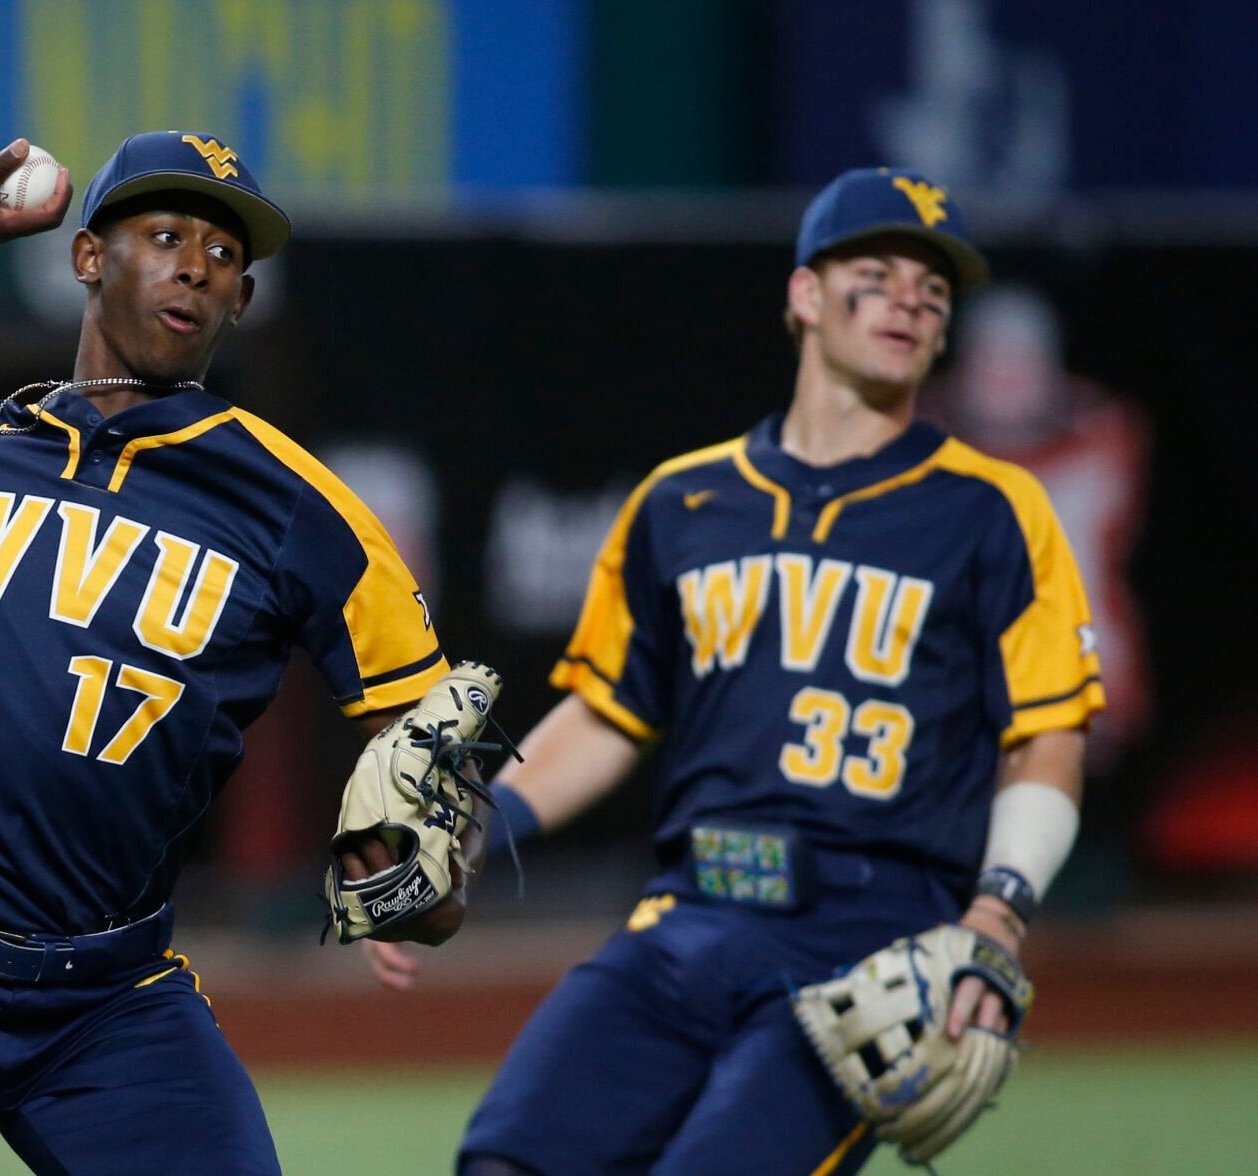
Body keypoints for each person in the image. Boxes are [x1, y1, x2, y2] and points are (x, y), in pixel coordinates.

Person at [0, 131, 464, 1175]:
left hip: (106, 1008)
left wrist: (420, 874)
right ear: (89, 259)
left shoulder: (298, 509)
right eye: (163, 234)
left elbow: (425, 727)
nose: (196, 263)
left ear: (238, 304)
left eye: (225, 254)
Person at [367, 167, 1103, 1174]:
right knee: (504, 1161)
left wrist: (998, 908)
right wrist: (471, 831)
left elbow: (1047, 736)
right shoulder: (683, 500)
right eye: (875, 272)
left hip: (873, 936)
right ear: (803, 294)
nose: (909, 299)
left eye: (931, 290)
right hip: (686, 920)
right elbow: (605, 717)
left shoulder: (991, 510)